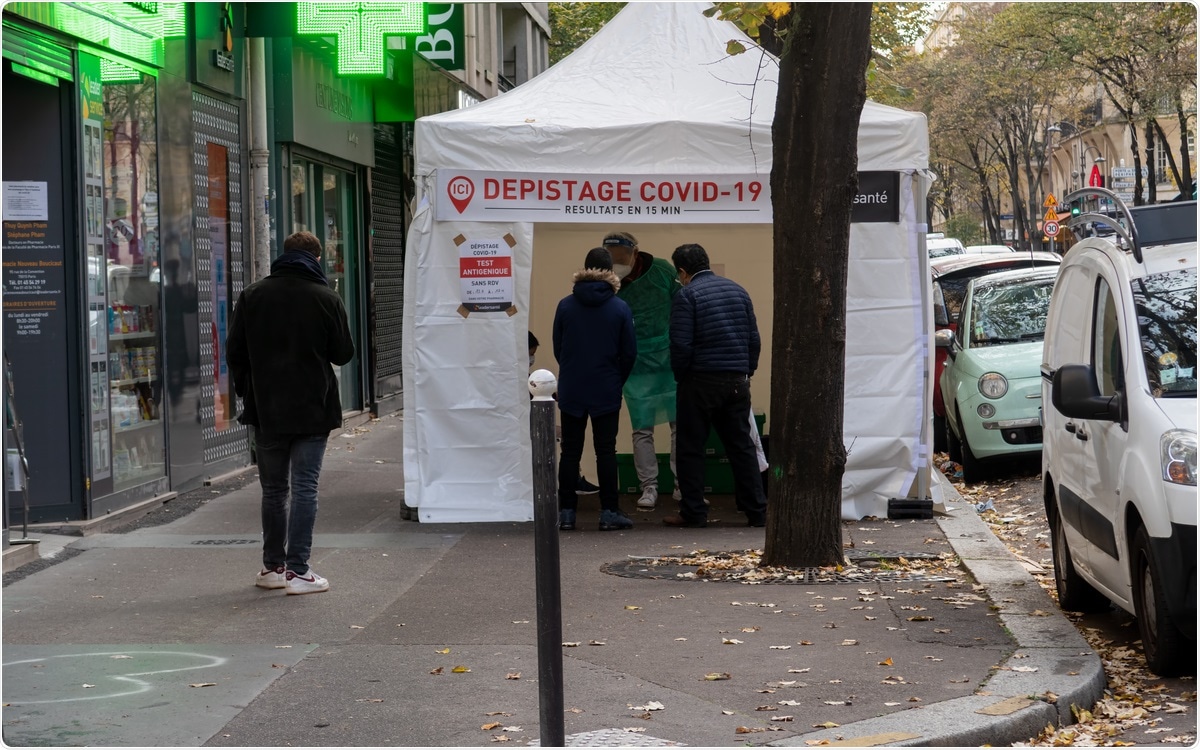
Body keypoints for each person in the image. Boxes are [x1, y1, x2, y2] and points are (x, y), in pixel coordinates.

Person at [226, 230, 354, 594]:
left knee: (273, 489)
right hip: (314, 406)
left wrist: (249, 390)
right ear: (316, 259)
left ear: (283, 255)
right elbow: (343, 353)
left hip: (267, 408)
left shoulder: (252, 295)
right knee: (305, 488)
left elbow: (235, 351)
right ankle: (299, 571)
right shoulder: (326, 297)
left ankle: (272, 568)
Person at [665, 243, 767, 528]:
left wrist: (681, 376)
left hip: (699, 381)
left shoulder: (687, 295)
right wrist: (747, 370)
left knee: (690, 448)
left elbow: (680, 344)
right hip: (736, 381)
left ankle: (694, 512)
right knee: (741, 447)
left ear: (683, 272)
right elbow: (753, 339)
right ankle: (756, 510)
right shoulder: (738, 290)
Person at [553, 247, 638, 531]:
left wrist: (571, 371)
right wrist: (616, 378)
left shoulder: (565, 305)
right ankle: (609, 512)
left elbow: (558, 347)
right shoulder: (620, 307)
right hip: (606, 387)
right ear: (610, 272)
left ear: (584, 269)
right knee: (606, 451)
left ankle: (566, 512)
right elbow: (629, 353)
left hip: (572, 387)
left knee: (570, 452)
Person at [602, 231, 681, 510]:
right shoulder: (608, 281)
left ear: (635, 253)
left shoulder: (661, 271)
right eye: (612, 259)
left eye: (621, 258)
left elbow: (682, 305)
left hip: (668, 357)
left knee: (678, 425)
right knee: (642, 428)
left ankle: (683, 484)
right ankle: (649, 487)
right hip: (635, 362)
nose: (617, 263)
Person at [530, 330, 601, 496]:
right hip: (528, 425)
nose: (531, 359)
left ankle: (573, 478)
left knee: (568, 439)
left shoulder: (526, 376)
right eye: (531, 354)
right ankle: (573, 479)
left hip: (531, 422)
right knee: (568, 438)